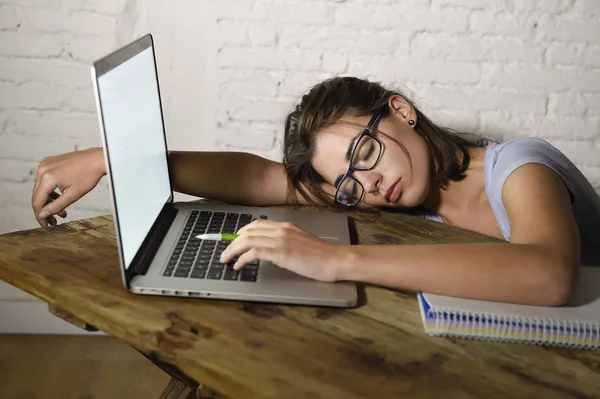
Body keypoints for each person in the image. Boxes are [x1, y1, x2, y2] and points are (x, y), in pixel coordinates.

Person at [31, 77, 600, 306]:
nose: (370, 183)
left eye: (366, 153)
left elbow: (549, 274)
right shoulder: (381, 191)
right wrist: (114, 159)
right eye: (348, 185)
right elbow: (260, 178)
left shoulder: (519, 167)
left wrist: (336, 261)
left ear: (400, 111)